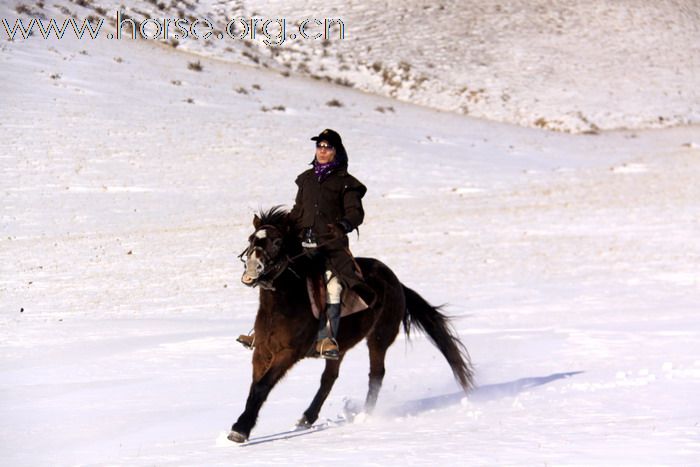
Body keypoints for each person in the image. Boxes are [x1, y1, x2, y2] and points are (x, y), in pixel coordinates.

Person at [237, 129, 374, 359]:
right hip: (303, 246)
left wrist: (342, 226)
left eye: (327, 147)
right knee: (274, 278)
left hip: (330, 247)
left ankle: (326, 338)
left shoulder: (347, 184)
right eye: (319, 146)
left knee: (334, 286)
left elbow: (356, 213)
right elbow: (298, 211)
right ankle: (260, 333)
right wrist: (280, 226)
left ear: (336, 152)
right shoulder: (306, 179)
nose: (322, 151)